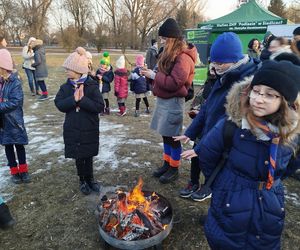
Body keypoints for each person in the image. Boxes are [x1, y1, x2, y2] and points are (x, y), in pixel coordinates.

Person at [181, 60, 300, 249]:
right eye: (256, 91)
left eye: (270, 95)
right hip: (230, 196)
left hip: (269, 202)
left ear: (285, 101)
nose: (259, 99)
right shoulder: (233, 124)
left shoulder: (292, 134)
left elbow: (289, 166)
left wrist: (271, 182)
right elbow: (208, 156)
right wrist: (224, 184)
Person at [174, 32, 259, 201]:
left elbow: (226, 123)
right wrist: (190, 132)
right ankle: (206, 189)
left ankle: (212, 195)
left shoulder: (246, 82)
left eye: (220, 63)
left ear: (235, 60)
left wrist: (200, 148)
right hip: (211, 134)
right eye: (213, 61)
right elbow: (207, 107)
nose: (215, 66)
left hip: (228, 142)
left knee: (223, 180)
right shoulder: (225, 75)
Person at [141, 18, 197, 184]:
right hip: (165, 100)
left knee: (173, 137)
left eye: (164, 39)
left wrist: (154, 75)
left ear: (172, 39)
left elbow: (175, 82)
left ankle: (174, 168)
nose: (162, 41)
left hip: (174, 102)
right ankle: (167, 163)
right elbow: (165, 77)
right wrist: (152, 74)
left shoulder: (184, 58)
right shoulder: (170, 53)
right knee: (165, 135)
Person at [54, 47, 104, 195]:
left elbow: (99, 106)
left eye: (68, 69)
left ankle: (90, 178)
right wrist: (72, 100)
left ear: (78, 70)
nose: (66, 71)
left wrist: (82, 100)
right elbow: (59, 104)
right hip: (73, 128)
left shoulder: (92, 86)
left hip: (89, 128)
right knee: (78, 156)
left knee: (88, 155)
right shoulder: (65, 87)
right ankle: (82, 179)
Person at [0, 49, 30, 184]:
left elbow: (16, 102)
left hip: (14, 121)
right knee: (8, 146)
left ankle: (23, 170)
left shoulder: (15, 82)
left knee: (19, 145)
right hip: (3, 122)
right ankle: (14, 171)